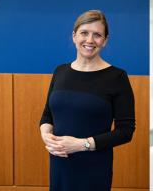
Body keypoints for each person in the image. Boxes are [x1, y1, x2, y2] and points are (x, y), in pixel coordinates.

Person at [39, 10, 135, 191]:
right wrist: (46, 135)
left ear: (105, 40)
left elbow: (126, 131)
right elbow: (47, 115)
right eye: (84, 33)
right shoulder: (60, 71)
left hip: (94, 168)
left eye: (97, 35)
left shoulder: (117, 77)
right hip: (60, 165)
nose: (90, 40)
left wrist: (81, 145)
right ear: (74, 36)